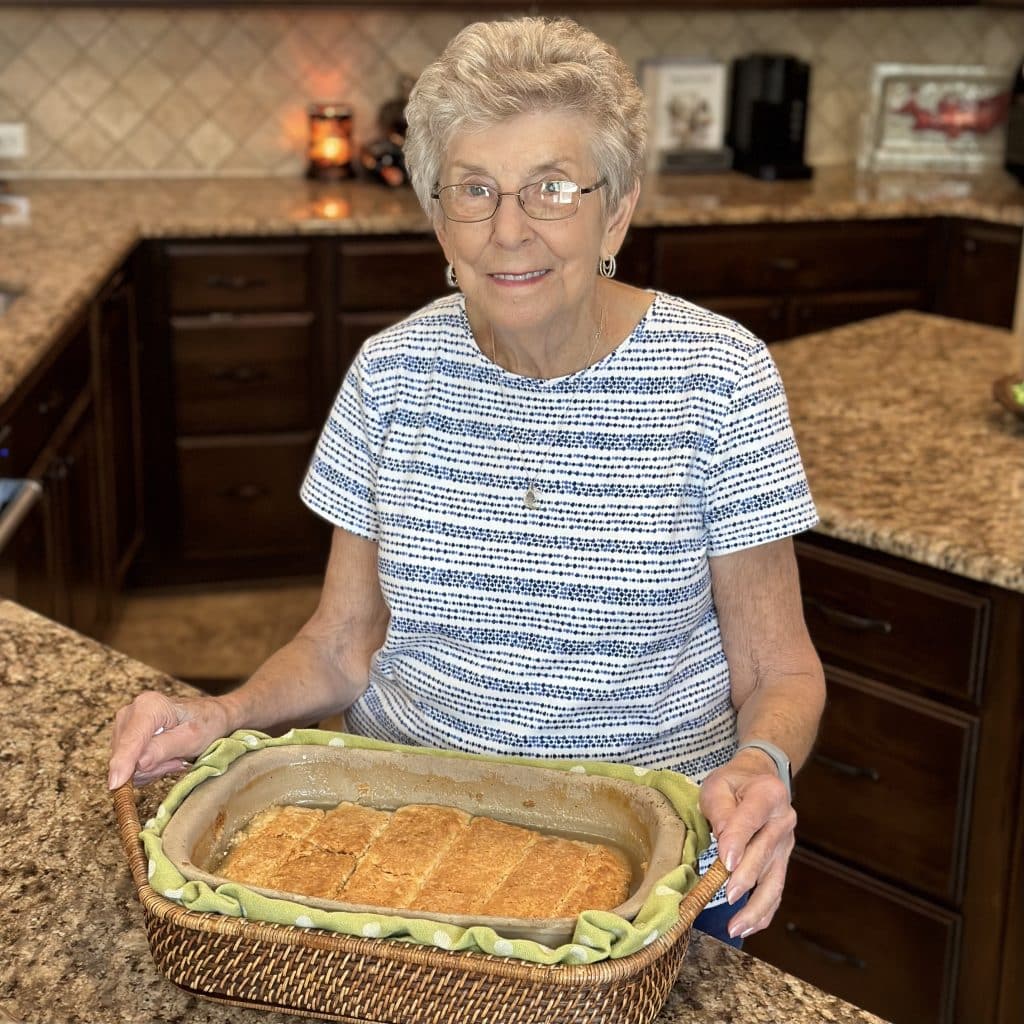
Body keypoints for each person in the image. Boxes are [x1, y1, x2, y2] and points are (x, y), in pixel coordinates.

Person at [108, 15, 825, 947]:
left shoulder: (719, 377)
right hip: (399, 843)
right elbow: (340, 643)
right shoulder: (391, 373)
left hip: (648, 851)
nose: (510, 230)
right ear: (437, 218)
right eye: (474, 191)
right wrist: (223, 712)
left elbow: (780, 668)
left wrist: (764, 761)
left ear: (617, 210)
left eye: (552, 188)